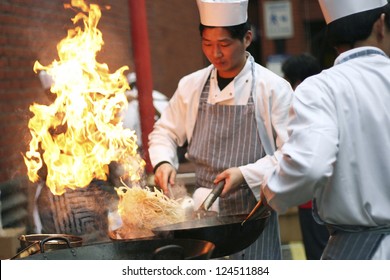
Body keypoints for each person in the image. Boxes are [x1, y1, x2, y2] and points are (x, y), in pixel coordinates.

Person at [148, 0, 293, 259]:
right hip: (200, 220)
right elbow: (165, 131)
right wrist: (162, 163)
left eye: (224, 44)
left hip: (252, 221)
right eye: (207, 44)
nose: (215, 53)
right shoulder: (191, 85)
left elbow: (292, 153)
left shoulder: (272, 88)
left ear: (247, 38)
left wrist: (245, 173)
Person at [261, 0, 390, 260]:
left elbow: (308, 166)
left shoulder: (320, 88)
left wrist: (270, 190)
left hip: (359, 252)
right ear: (381, 24)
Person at [281, 53, 330, 260]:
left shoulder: (302, 103)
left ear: (298, 81)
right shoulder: (329, 98)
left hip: (310, 201)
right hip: (329, 199)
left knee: (317, 255)